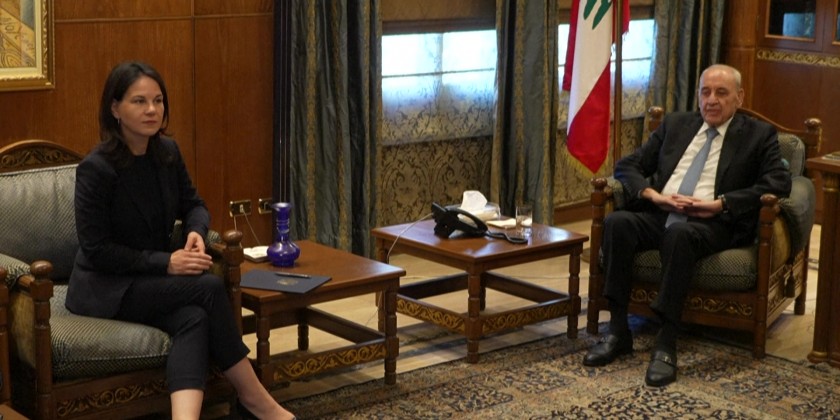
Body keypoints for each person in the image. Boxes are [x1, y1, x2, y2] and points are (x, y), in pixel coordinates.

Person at [66, 61, 296, 420]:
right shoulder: (96, 169)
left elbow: (195, 205)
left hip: (150, 281)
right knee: (209, 287)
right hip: (106, 286)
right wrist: (167, 262)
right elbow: (97, 250)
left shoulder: (167, 154)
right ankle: (256, 401)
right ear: (115, 109)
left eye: (158, 100)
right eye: (139, 101)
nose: (152, 110)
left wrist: (194, 233)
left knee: (193, 318)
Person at [582, 64, 791, 387]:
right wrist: (653, 195)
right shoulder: (676, 124)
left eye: (721, 93)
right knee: (617, 222)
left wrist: (721, 203)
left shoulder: (758, 135)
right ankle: (618, 331)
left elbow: (779, 182)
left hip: (713, 222)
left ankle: (666, 343)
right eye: (705, 92)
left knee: (679, 234)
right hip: (661, 212)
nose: (712, 100)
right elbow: (628, 165)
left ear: (739, 97)